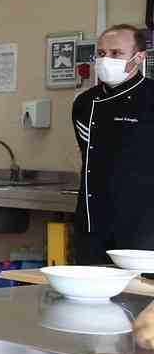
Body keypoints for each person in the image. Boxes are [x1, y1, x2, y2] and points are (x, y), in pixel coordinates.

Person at [70, 23, 154, 264]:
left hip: (143, 228)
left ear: (139, 58)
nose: (107, 60)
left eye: (116, 53)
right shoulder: (85, 103)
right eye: (102, 53)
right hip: (92, 224)